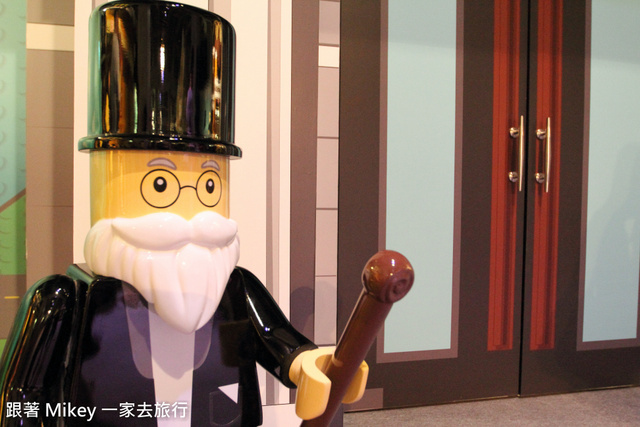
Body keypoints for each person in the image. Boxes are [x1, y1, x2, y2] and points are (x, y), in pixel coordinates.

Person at [0, 2, 365, 425]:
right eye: (160, 185)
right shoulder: (62, 299)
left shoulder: (234, 286)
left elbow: (276, 341)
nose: (190, 222)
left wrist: (310, 366)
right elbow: (22, 396)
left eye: (210, 185)